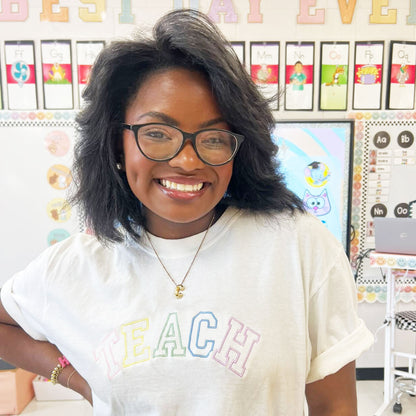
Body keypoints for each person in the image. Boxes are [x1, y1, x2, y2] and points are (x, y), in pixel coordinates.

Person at [0, 9, 373, 416]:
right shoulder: (76, 265)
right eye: (157, 134)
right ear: (116, 146)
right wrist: (73, 378)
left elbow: (335, 405)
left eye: (213, 138)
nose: (188, 161)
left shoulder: (300, 247)